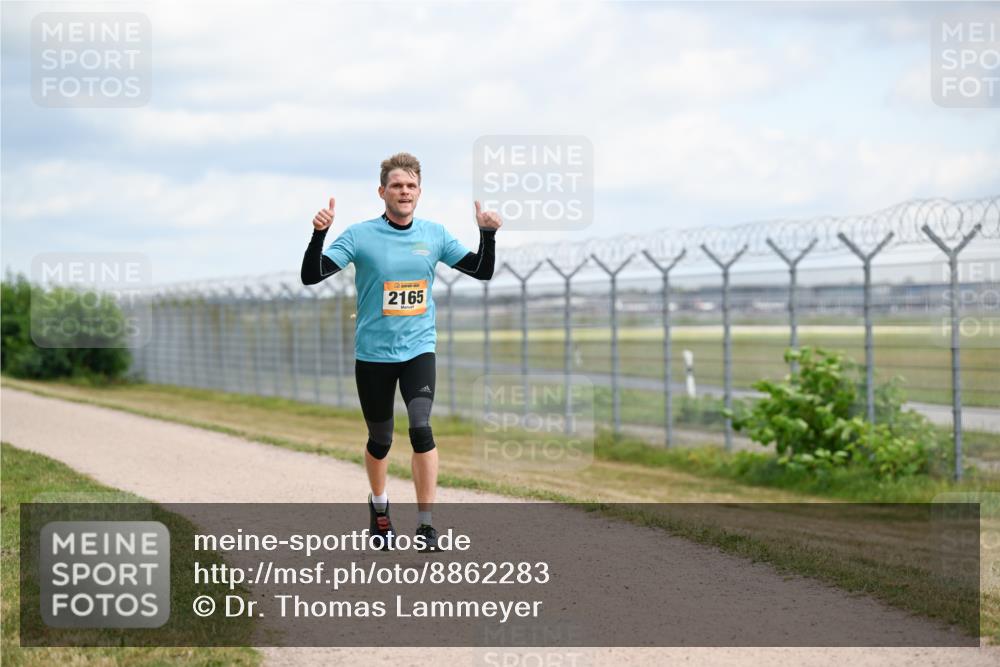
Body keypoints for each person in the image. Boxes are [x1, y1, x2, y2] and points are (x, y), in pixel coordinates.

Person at [300, 152, 500, 551]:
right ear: (382, 191)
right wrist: (319, 234)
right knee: (381, 440)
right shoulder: (360, 236)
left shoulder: (435, 234)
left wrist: (488, 234)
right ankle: (379, 507)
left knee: (421, 428)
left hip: (418, 349)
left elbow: (481, 270)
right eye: (396, 185)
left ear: (419, 192)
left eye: (410, 186)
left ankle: (426, 524)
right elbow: (312, 275)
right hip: (373, 353)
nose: (404, 192)